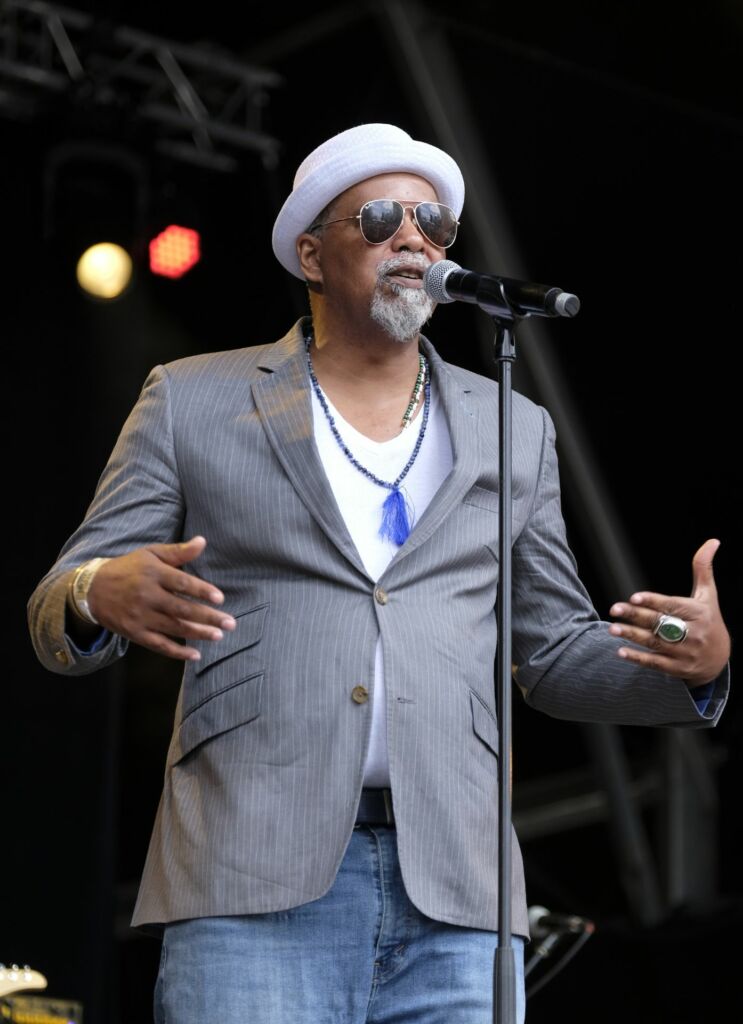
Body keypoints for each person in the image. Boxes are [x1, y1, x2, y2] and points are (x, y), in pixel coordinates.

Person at [27, 122, 731, 1024]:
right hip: (251, 875)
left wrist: (693, 665)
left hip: (460, 890)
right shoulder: (191, 396)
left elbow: (550, 655)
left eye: (432, 221)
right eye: (382, 217)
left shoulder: (512, 425)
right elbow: (58, 602)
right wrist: (96, 591)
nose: (414, 237)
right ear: (312, 256)